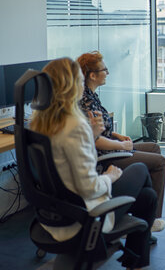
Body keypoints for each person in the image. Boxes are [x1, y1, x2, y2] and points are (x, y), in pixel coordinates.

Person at [30, 58, 156, 270]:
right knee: (141, 170)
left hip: (54, 212)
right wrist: (110, 177)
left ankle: (136, 259)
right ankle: (136, 262)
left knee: (147, 198)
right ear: (70, 86)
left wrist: (93, 134)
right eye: (79, 81)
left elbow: (67, 159)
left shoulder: (38, 120)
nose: (82, 86)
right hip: (84, 216)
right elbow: (89, 187)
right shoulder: (74, 125)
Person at [77, 51, 165, 232]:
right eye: (104, 69)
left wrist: (118, 136)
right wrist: (122, 145)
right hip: (106, 154)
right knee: (159, 162)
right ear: (92, 75)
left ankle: (145, 211)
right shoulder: (86, 101)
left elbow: (102, 128)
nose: (107, 73)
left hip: (112, 146)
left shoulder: (92, 95)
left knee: (154, 148)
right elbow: (95, 141)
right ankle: (152, 219)